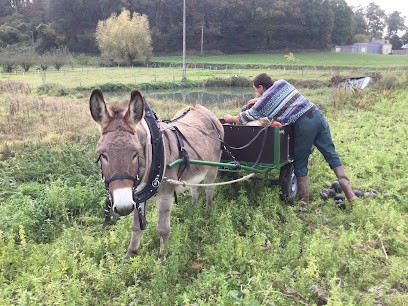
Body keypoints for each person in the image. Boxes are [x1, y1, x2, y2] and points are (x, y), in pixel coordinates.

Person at [224, 73, 357, 204]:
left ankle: (304, 201)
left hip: (304, 125)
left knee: (300, 160)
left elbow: (247, 116)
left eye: (255, 89)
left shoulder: (264, 101)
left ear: (260, 87)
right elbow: (280, 99)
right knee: (330, 152)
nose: (256, 93)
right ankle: (349, 193)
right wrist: (259, 100)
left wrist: (231, 118)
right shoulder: (282, 83)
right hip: (317, 115)